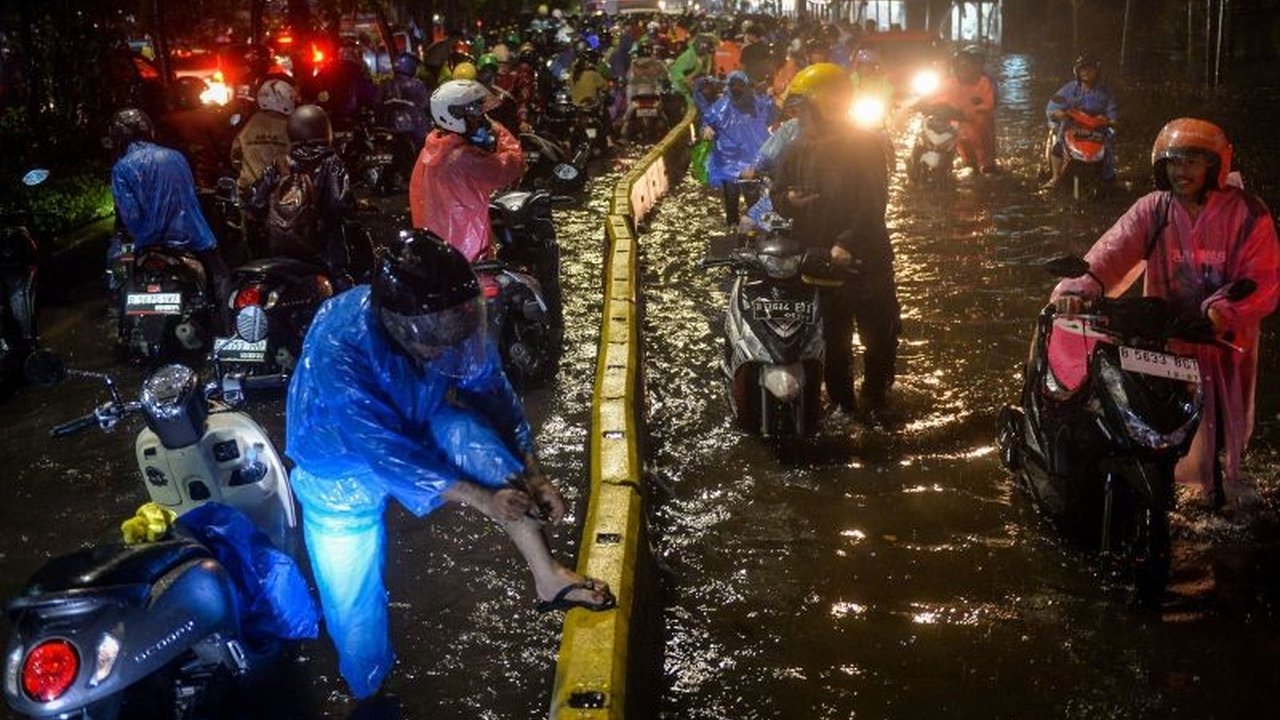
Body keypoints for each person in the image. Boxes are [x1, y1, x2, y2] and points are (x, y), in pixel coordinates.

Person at [286, 232, 614, 700]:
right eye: (434, 335)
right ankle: (369, 690)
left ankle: (548, 577)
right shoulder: (340, 344)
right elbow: (384, 450)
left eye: (453, 327)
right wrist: (480, 497)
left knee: (475, 438)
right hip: (339, 464)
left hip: (419, 414)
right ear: (396, 321)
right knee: (352, 601)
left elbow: (492, 391)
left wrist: (532, 469)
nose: (446, 345)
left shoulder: (450, 328)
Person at [1051, 119, 1279, 509]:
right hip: (1162, 345)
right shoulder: (1153, 210)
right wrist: (1077, 290)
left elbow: (1263, 279)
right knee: (1153, 427)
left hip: (1224, 345)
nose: (1181, 171)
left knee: (1222, 438)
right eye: (1174, 162)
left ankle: (1219, 495)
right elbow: (1110, 254)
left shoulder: (1248, 214)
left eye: (1192, 162)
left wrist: (1224, 311)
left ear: (1215, 166)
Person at [770, 63, 897, 413]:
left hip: (865, 262)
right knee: (833, 341)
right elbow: (778, 194)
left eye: (805, 111)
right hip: (818, 261)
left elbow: (873, 204)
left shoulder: (865, 145)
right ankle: (842, 403)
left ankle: (876, 397)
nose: (800, 119)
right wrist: (789, 203)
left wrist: (846, 243)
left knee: (879, 337)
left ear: (826, 106)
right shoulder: (796, 149)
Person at [109, 107, 229, 309]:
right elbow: (189, 193)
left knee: (119, 271)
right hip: (192, 236)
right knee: (220, 275)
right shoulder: (176, 157)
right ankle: (224, 327)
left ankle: (122, 315)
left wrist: (139, 237)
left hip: (146, 241)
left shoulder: (122, 167)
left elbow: (129, 214)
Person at [409, 80, 523, 263]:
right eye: (474, 116)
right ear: (452, 117)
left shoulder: (432, 147)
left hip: (438, 247)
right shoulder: (465, 158)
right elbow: (511, 166)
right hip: (468, 248)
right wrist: (499, 131)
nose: (480, 120)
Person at [246, 105, 354, 286]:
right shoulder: (331, 163)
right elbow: (338, 204)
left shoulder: (280, 164)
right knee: (341, 290)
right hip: (322, 250)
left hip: (279, 249)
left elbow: (255, 202)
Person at [702, 71, 775, 228]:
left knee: (752, 195)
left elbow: (771, 115)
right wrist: (707, 127)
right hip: (728, 158)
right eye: (733, 85)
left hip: (750, 159)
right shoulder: (721, 106)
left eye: (740, 85)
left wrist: (772, 98)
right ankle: (733, 224)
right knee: (731, 195)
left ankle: (755, 226)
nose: (737, 89)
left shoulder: (757, 103)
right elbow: (708, 119)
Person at [1044, 54, 1119, 187]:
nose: (1086, 72)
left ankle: (1108, 178)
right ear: (1077, 72)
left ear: (1097, 71)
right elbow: (1053, 105)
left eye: (1090, 69)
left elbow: (1113, 114)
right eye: (1082, 69)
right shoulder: (1069, 89)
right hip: (1071, 128)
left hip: (1096, 131)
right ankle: (1055, 178)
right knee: (1058, 147)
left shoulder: (1105, 92)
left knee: (1108, 151)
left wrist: (1109, 120)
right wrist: (1058, 113)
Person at [939, 46, 998, 173]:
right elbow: (936, 96)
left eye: (967, 64)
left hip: (979, 127)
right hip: (959, 127)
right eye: (960, 64)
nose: (963, 67)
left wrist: (972, 111)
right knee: (967, 162)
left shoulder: (984, 82)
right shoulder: (951, 81)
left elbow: (990, 104)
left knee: (986, 164)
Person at [620, 37, 670, 141]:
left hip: (635, 95)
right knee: (663, 115)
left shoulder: (633, 64)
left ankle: (623, 132)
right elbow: (665, 77)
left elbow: (628, 78)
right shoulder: (658, 63)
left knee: (628, 116)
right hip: (653, 94)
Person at [669, 34, 716, 101]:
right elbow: (675, 72)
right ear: (701, 48)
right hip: (683, 94)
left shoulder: (700, 57)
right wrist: (686, 86)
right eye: (706, 50)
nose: (707, 52)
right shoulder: (689, 58)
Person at [739, 21, 774, 85]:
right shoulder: (766, 48)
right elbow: (769, 64)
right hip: (762, 80)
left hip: (749, 80)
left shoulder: (747, 49)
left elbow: (742, 67)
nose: (748, 36)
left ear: (754, 36)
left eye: (749, 34)